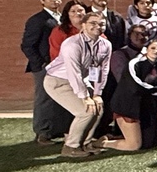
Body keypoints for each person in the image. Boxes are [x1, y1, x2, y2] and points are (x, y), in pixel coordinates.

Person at [43, 12, 112, 157]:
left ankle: (85, 143)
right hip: (58, 81)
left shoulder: (105, 44)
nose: (97, 26)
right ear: (83, 25)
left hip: (81, 80)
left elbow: (102, 70)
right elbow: (73, 72)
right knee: (85, 111)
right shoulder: (72, 44)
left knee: (98, 109)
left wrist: (97, 94)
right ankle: (70, 146)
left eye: (101, 24)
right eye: (93, 23)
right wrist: (85, 97)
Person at [99, 39, 157, 151]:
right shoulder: (135, 63)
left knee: (149, 142)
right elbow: (136, 85)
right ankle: (103, 143)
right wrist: (156, 91)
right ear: (146, 49)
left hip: (143, 107)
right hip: (127, 106)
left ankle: (113, 137)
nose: (156, 51)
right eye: (153, 48)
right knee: (134, 145)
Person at [22, 0, 64, 144]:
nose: (55, 0)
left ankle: (56, 129)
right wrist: (41, 64)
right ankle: (42, 133)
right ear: (42, 1)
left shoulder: (62, 18)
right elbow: (27, 45)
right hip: (45, 66)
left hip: (61, 65)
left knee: (60, 98)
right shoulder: (37, 20)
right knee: (44, 98)